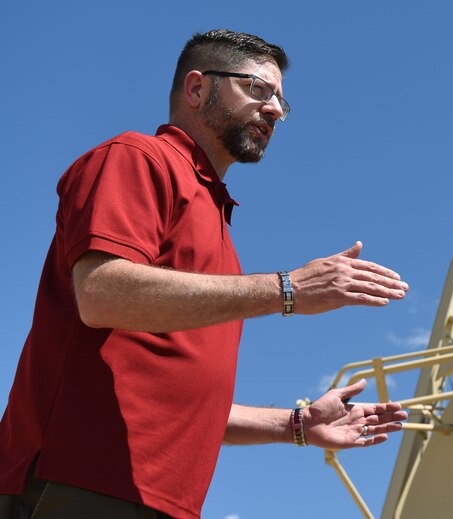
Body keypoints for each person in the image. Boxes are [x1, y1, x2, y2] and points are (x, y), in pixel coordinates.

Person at [0, 29, 410, 519]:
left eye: (281, 99)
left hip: (163, 500)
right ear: (197, 89)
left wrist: (296, 425)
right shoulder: (137, 158)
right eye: (259, 89)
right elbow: (100, 293)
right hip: (80, 483)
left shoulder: (220, 231)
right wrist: (288, 289)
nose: (276, 110)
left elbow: (186, 408)